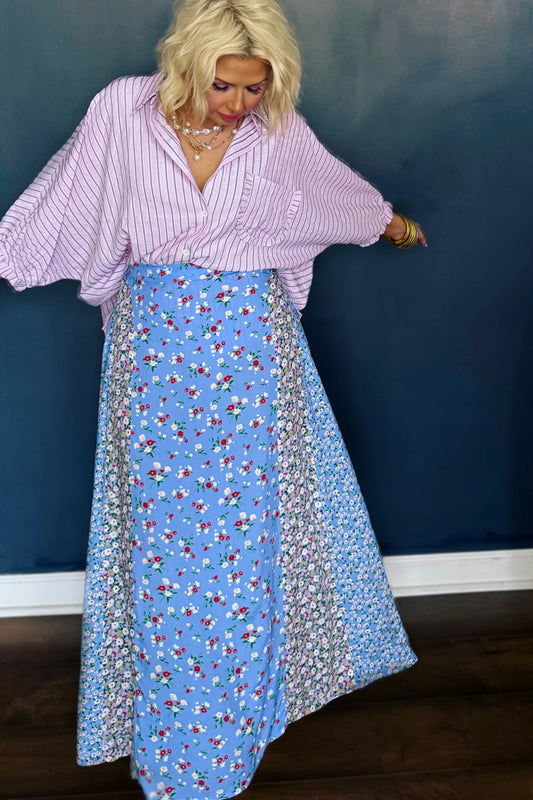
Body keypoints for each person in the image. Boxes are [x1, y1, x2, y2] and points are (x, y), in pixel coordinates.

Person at [0, 1, 425, 798]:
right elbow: (62, 198)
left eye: (254, 87)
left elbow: (325, 190)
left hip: (249, 356)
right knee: (161, 550)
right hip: (152, 359)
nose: (237, 104)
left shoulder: (276, 132)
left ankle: (231, 731)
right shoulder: (121, 111)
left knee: (244, 548)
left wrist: (386, 223)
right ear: (186, 65)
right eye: (222, 85)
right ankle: (172, 744)